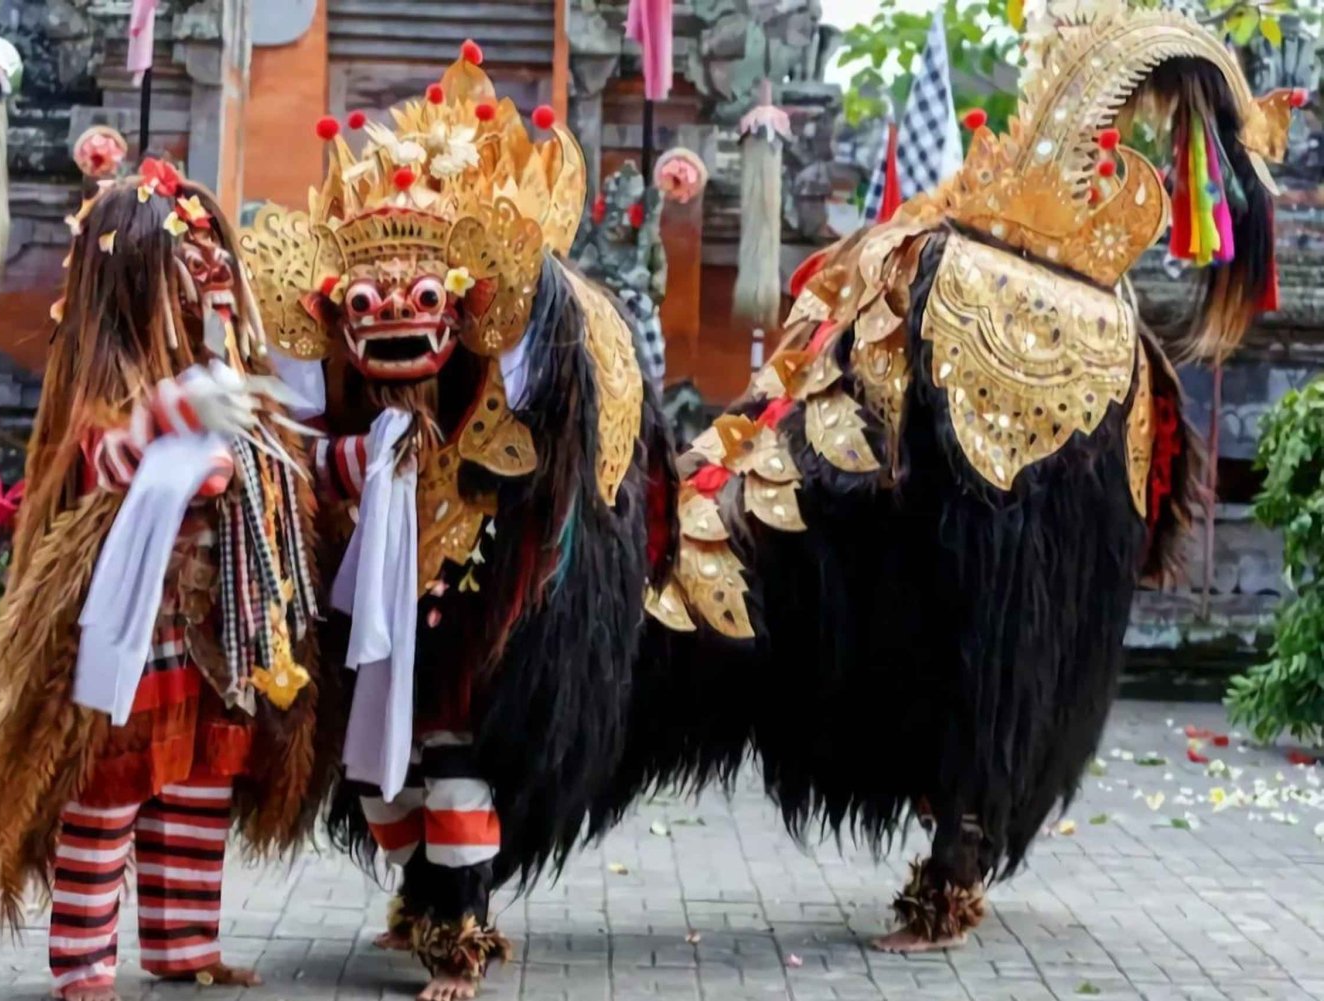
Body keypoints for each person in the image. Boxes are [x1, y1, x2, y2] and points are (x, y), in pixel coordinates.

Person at [606, 8, 1300, 954]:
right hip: (875, 455)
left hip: (992, 467)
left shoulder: (1022, 316)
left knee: (986, 600)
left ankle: (961, 849)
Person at [238, 40, 673, 1001]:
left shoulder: (515, 401)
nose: (397, 318)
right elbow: (302, 443)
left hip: (480, 560)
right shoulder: (339, 412)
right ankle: (427, 887)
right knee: (379, 772)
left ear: (468, 309)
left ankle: (463, 931)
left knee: (457, 741)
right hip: (378, 572)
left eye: (424, 299)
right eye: (368, 301)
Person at [0, 159, 335, 1000]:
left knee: (199, 784)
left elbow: (272, 473)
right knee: (111, 789)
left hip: (215, 633)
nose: (206, 281)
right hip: (136, 630)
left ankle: (182, 943)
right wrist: (177, 416)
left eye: (212, 264)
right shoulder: (103, 402)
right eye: (184, 266)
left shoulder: (236, 380)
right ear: (130, 285)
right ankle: (86, 963)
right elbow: (111, 460)